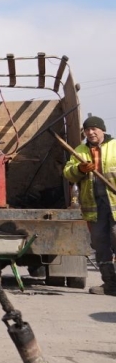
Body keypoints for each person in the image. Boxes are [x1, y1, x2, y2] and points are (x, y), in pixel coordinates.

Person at [63, 116, 116, 296]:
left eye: (94, 129)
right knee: (100, 244)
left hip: (114, 203)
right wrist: (80, 169)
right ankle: (110, 284)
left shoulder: (115, 147)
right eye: (87, 130)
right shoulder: (79, 150)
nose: (91, 132)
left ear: (102, 130)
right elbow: (68, 173)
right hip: (94, 205)